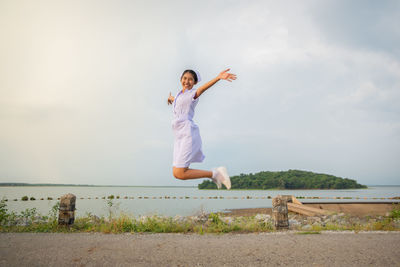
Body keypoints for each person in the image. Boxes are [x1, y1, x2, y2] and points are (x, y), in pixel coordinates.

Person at [167, 68, 237, 189]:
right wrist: (171, 99)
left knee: (180, 172)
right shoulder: (180, 95)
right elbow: (177, 101)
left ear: (194, 82)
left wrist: (218, 77)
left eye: (190, 79)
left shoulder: (192, 94)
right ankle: (215, 174)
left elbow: (201, 89)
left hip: (187, 133)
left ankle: (216, 174)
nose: (187, 81)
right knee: (176, 173)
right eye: (185, 78)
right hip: (178, 136)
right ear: (180, 79)